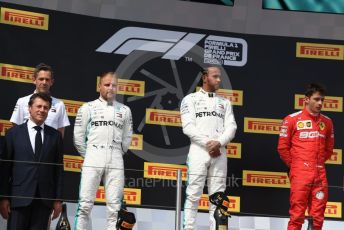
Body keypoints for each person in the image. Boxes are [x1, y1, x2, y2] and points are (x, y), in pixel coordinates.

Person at [74, 72, 133, 229]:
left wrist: (118, 152)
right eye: (107, 84)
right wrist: (90, 155)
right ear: (99, 86)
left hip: (115, 158)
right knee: (85, 205)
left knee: (115, 207)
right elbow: (78, 137)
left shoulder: (125, 110)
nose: (111, 88)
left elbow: (128, 136)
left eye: (114, 85)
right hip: (93, 156)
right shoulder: (87, 107)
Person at [180, 66, 237, 230]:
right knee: (193, 194)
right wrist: (209, 144)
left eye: (219, 77)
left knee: (218, 197)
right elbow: (188, 127)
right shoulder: (190, 99)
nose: (219, 80)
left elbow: (231, 128)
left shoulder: (225, 102)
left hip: (220, 153)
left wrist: (218, 143)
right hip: (198, 152)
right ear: (205, 78)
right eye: (215, 77)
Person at [0, 93, 64, 230]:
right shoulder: (13, 134)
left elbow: (58, 170)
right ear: (29, 108)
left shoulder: (55, 137)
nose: (42, 110)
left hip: (44, 200)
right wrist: (3, 198)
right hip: (18, 199)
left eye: (46, 107)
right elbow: (5, 168)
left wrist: (58, 200)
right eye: (38, 106)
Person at [278, 83, 334, 230]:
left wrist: (317, 164)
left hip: (320, 174)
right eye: (316, 99)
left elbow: (329, 149)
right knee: (297, 215)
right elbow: (283, 148)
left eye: (322, 99)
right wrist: (297, 166)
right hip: (300, 173)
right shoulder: (291, 119)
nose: (320, 103)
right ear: (306, 100)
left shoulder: (327, 122)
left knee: (318, 217)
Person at [10, 63, 70, 137]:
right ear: (34, 80)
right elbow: (16, 127)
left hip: (49, 147)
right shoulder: (22, 101)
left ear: (52, 82)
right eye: (41, 79)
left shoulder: (59, 104)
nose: (44, 82)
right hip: (26, 147)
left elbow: (60, 131)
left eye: (47, 80)